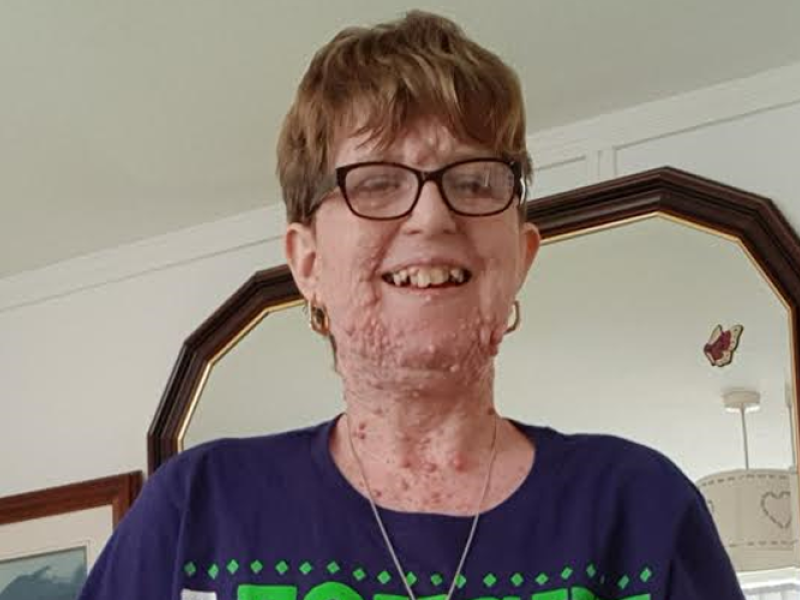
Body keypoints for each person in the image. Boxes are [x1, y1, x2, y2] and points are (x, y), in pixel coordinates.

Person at [79, 11, 745, 600]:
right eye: (376, 182)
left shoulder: (642, 510)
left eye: (475, 181)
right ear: (308, 263)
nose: (431, 216)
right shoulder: (196, 511)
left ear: (521, 256)